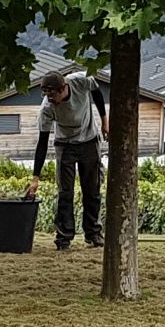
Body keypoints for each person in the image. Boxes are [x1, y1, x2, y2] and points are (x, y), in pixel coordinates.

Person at [29, 66, 108, 251]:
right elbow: (41, 143)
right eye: (47, 96)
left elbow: (97, 92)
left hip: (89, 139)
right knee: (65, 193)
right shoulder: (47, 109)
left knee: (92, 189)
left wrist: (105, 121)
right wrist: (35, 178)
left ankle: (93, 234)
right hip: (64, 145)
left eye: (53, 96)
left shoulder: (81, 80)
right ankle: (63, 238)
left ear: (63, 88)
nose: (51, 101)